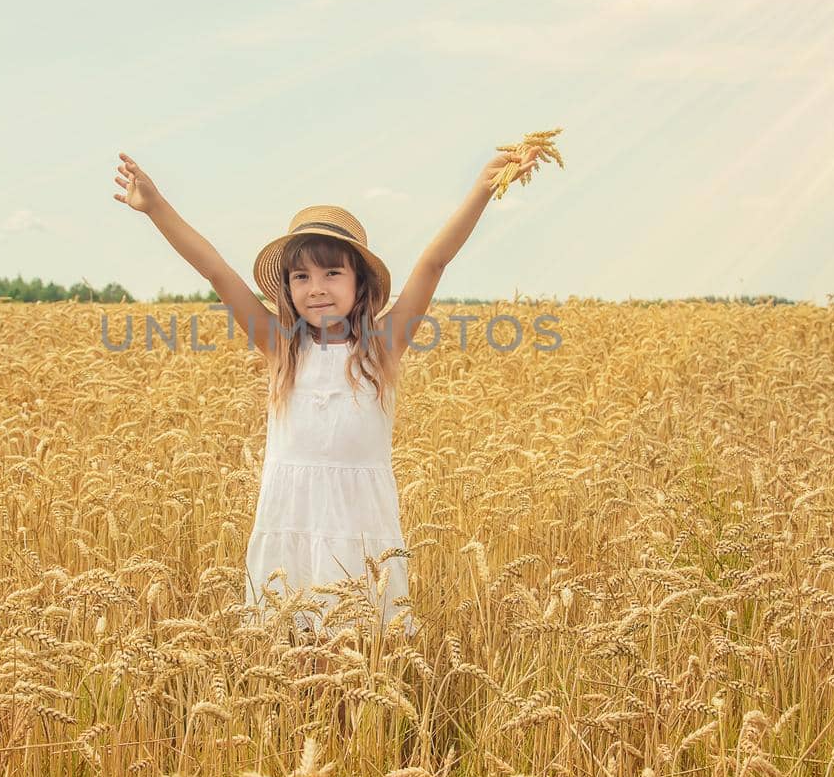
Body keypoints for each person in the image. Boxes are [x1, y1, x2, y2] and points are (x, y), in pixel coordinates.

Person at [111, 148, 527, 641]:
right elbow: (217, 272)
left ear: (360, 283)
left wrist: (482, 188)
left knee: (362, 653)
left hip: (360, 528)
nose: (317, 289)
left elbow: (434, 263)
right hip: (290, 521)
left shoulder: (382, 347)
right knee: (289, 651)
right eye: (301, 277)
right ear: (287, 289)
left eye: (332, 274)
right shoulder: (280, 346)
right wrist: (156, 206)